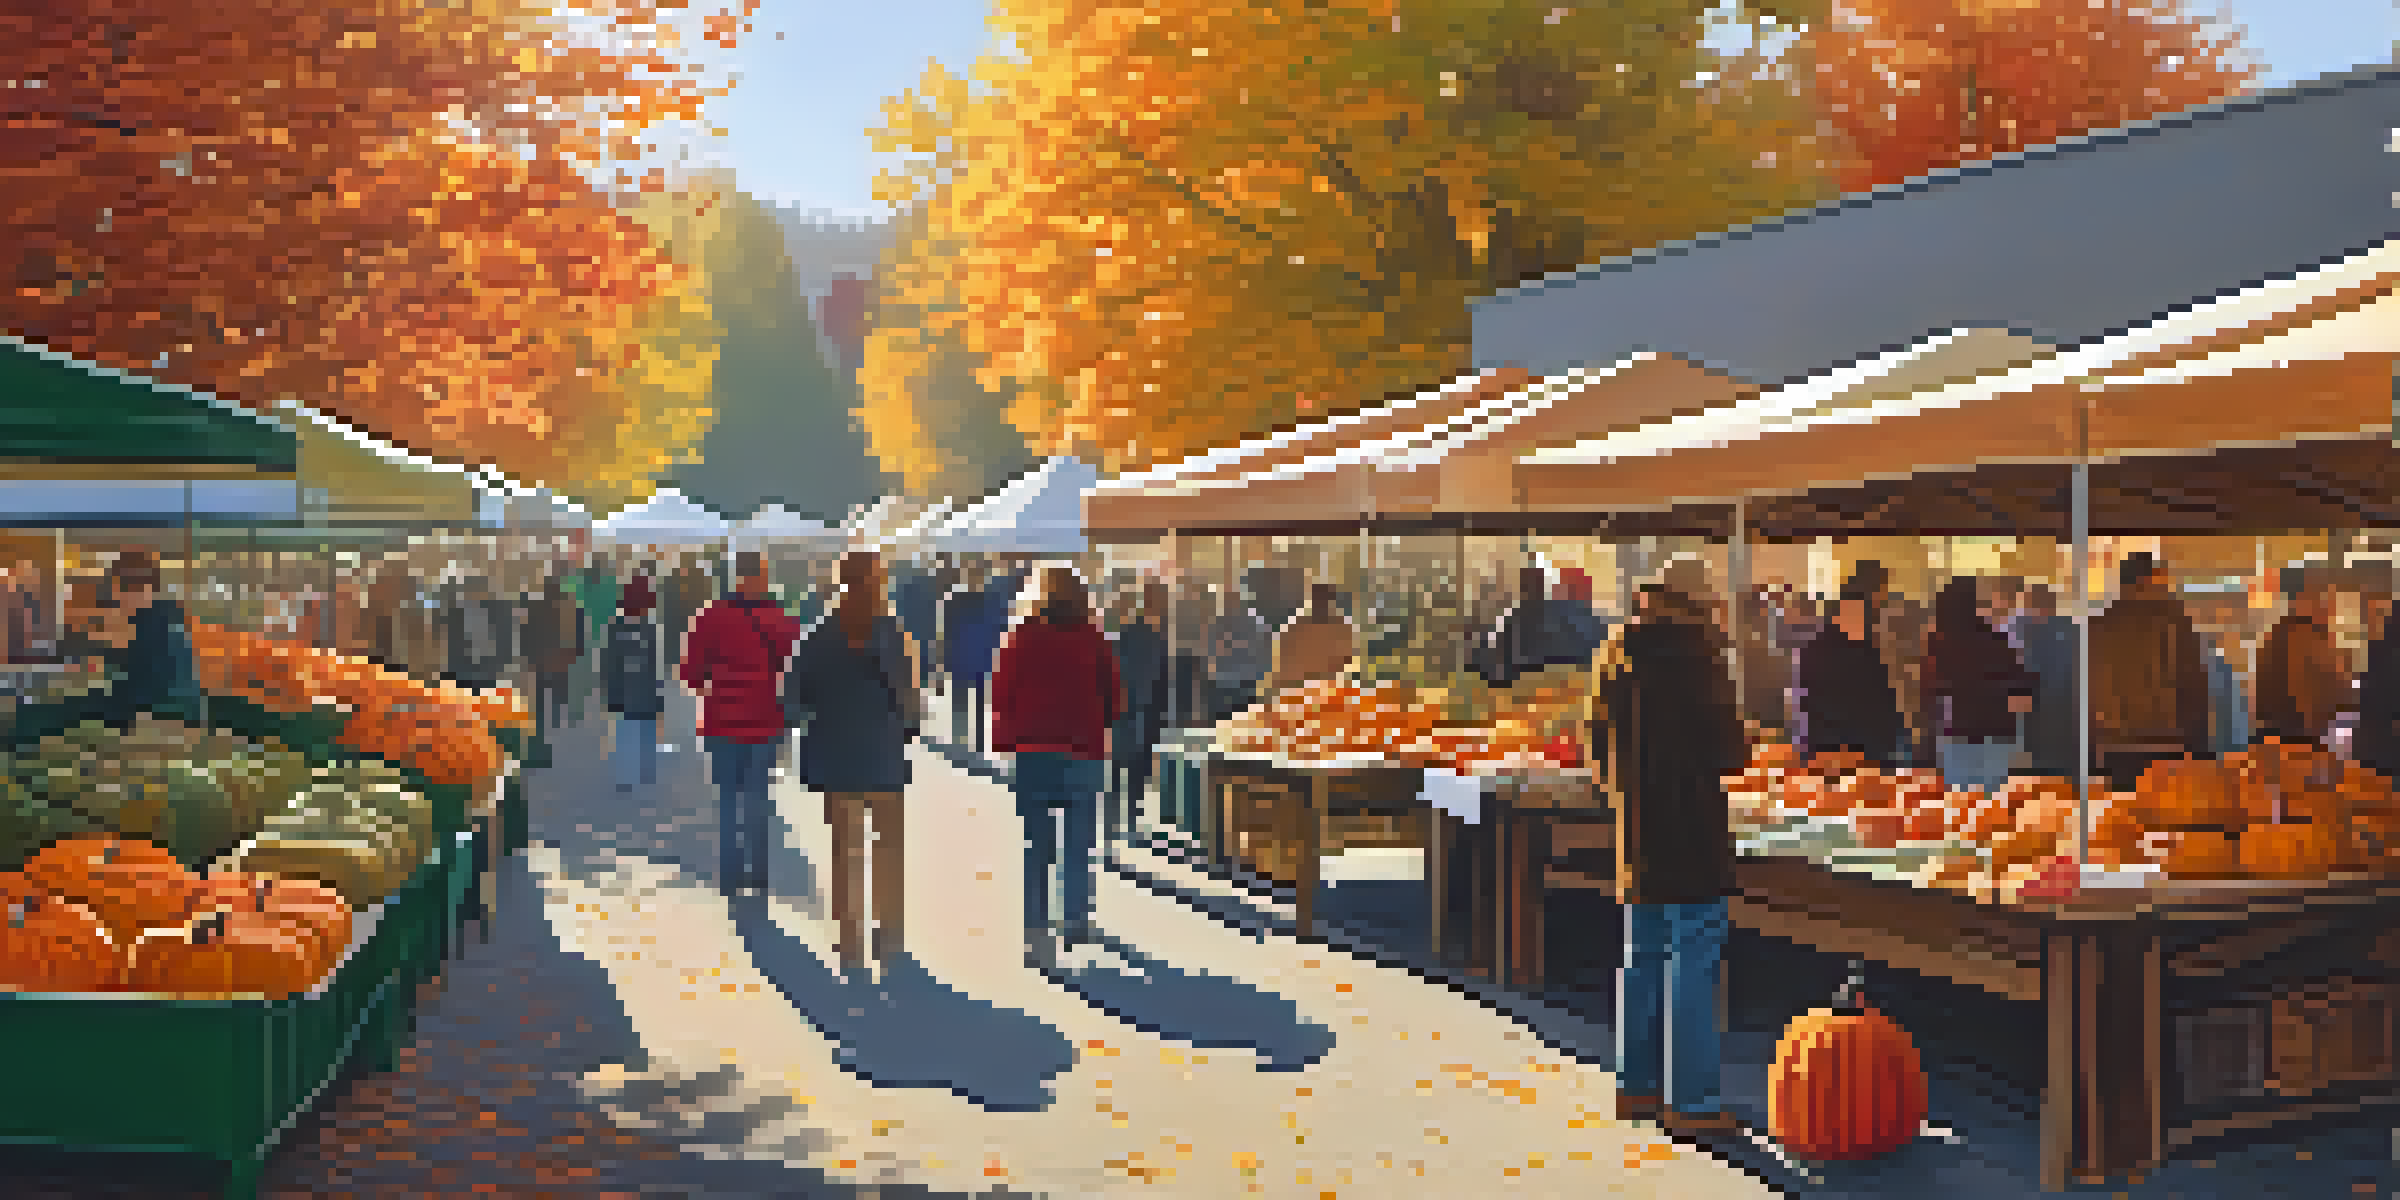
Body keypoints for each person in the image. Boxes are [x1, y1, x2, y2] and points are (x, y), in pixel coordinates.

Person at [1591, 575, 1746, 1137]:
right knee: (1694, 962)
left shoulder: (1613, 658)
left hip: (1638, 829)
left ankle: (1636, 1086)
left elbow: (1596, 745)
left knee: (1642, 957)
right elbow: (1730, 753)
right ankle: (1694, 1100)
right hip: (1693, 829)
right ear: (1696, 608)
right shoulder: (1700, 664)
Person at [785, 551, 920, 972]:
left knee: (846, 854)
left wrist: (819, 717)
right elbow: (911, 705)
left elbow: (790, 703)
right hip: (882, 756)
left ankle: (849, 943)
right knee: (889, 850)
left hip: (836, 758)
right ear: (879, 582)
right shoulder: (894, 635)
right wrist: (902, 728)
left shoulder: (818, 637)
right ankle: (890, 938)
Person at [992, 567, 1123, 968]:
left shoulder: (1022, 637)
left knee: (1038, 841)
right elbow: (1114, 696)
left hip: (1033, 749)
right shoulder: (1093, 638)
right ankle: (1076, 919)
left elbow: (1000, 691)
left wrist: (1006, 736)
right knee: (1079, 837)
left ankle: (1035, 929)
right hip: (1082, 747)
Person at [679, 551, 801, 898]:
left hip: (722, 722)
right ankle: (759, 876)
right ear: (763, 577)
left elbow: (690, 674)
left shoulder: (710, 617)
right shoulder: (782, 620)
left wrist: (713, 689)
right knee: (758, 800)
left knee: (729, 800)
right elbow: (794, 674)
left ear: (735, 576)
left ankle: (731, 878)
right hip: (766, 722)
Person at [2090, 552, 2209, 792]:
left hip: (2113, 746)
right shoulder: (2173, 621)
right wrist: (2200, 748)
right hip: (2167, 744)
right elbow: (2193, 686)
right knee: (2168, 817)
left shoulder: (2099, 625)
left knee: (2123, 820)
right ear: (2147, 580)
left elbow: (2086, 692)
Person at [1924, 576, 2036, 793]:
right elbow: (2022, 686)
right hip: (1998, 735)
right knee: (1998, 813)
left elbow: (1931, 693)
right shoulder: (1997, 640)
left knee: (1959, 813)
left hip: (1957, 737)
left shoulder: (1938, 642)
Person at [81, 551, 201, 729]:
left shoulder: (155, 625)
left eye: (120, 590)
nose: (117, 598)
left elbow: (142, 691)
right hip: (169, 716)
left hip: (161, 723)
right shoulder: (161, 615)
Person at [1796, 580, 1905, 766]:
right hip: (1854, 751)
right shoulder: (1864, 650)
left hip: (1834, 750)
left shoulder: (1817, 647)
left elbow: (1806, 700)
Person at [2253, 566, 2350, 749]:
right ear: (2303, 597)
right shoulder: (2312, 638)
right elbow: (2340, 690)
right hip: (2305, 739)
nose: (2327, 603)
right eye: (2321, 595)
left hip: (2273, 740)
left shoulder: (2274, 634)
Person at [1108, 582, 1171, 839]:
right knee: (1127, 761)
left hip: (1139, 707)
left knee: (1129, 762)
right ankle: (1122, 817)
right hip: (1134, 706)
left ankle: (1123, 817)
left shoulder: (1138, 633)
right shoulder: (1141, 634)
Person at [601, 574, 665, 791]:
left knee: (626, 733)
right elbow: (654, 667)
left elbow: (608, 663)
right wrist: (659, 698)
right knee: (645, 732)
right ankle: (646, 774)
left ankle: (625, 777)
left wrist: (609, 692)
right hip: (645, 692)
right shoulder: (649, 628)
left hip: (623, 692)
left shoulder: (615, 627)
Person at [2014, 585, 2082, 778]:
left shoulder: (2029, 635)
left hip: (2041, 719)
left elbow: (2025, 679)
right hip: (2068, 719)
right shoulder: (2073, 630)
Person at [943, 561, 1005, 752]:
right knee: (963, 702)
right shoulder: (959, 600)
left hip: (976, 657)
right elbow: (947, 631)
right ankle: (963, 740)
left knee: (977, 704)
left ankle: (974, 742)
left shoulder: (988, 600)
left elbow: (998, 630)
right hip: (967, 657)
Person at [1269, 583, 1359, 692]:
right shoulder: (1298, 626)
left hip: (1330, 686)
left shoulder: (1341, 627)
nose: (1321, 603)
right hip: (1301, 685)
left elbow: (1346, 659)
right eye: (1318, 599)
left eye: (1324, 599)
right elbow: (1287, 657)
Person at [525, 570, 584, 737]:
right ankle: (557, 726)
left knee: (541, 698)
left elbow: (527, 633)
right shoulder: (570, 606)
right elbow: (579, 633)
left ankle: (541, 728)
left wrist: (529, 657)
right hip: (561, 661)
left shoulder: (536, 607)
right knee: (558, 696)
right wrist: (576, 654)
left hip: (542, 661)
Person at [1205, 585, 1271, 721]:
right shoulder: (1217, 622)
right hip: (1223, 685)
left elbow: (1262, 653)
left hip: (1248, 684)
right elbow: (1212, 652)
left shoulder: (1255, 622)